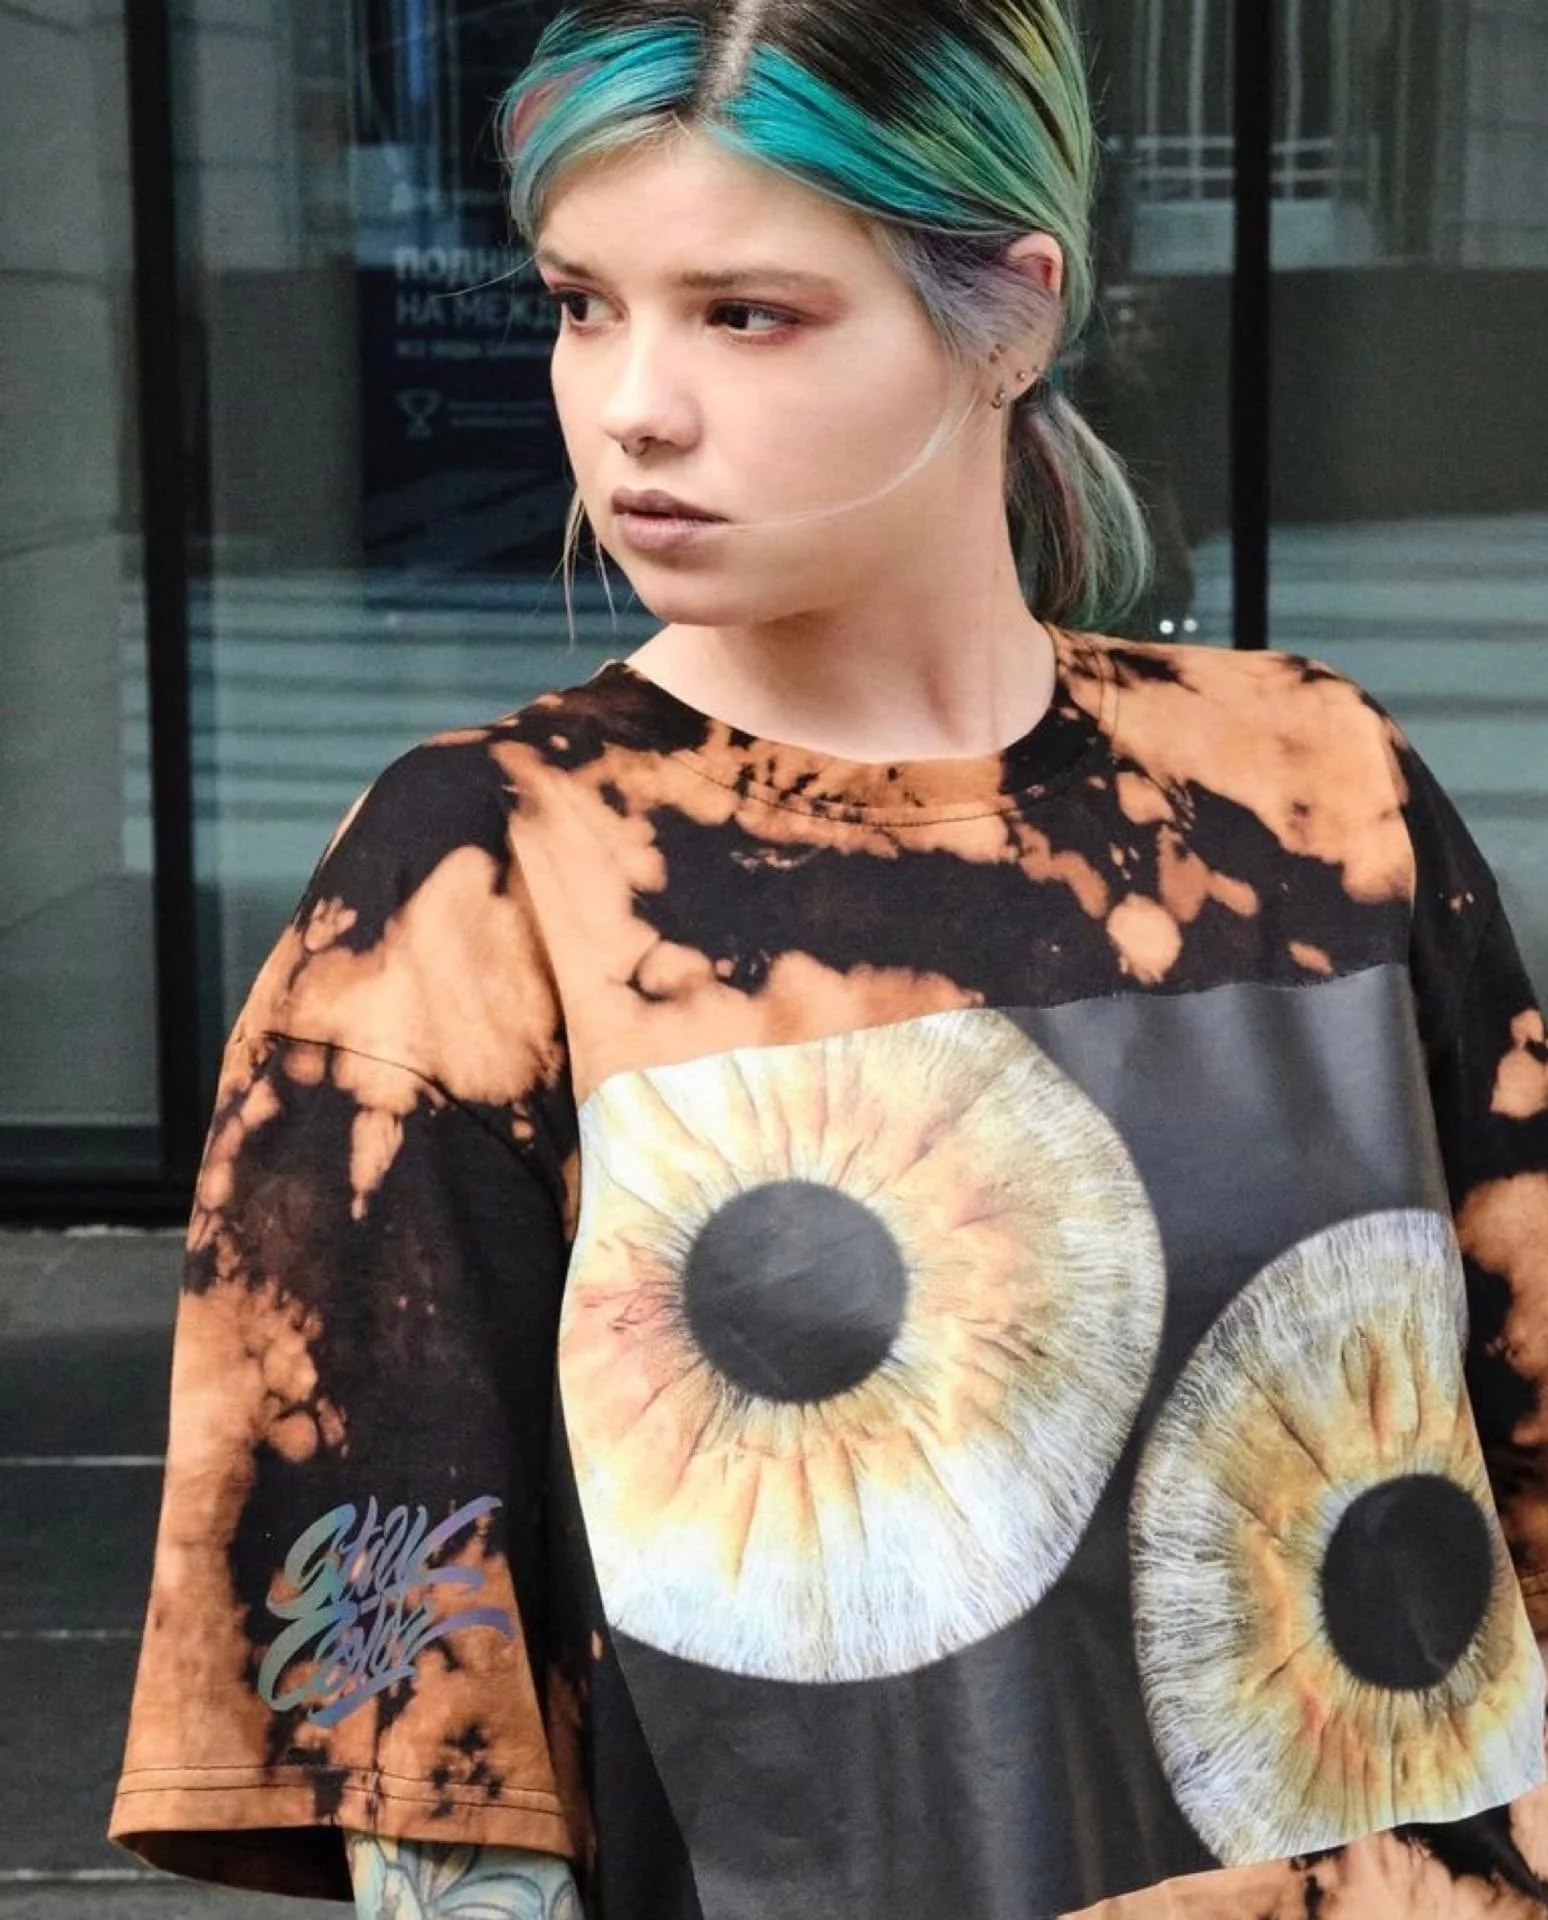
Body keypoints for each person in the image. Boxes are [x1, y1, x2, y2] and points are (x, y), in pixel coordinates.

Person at [108, 1, 1548, 1916]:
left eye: (746, 314)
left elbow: (1524, 1411)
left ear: (1011, 317)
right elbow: (420, 1718)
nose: (633, 404)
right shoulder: (485, 872)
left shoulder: (1315, 784)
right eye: (582, 304)